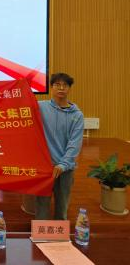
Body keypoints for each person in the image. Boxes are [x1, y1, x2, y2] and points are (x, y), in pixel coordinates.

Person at [36, 73, 84, 220]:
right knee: (41, 206)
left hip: (65, 169)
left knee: (62, 207)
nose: (61, 88)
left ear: (69, 88)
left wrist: (63, 165)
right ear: (51, 87)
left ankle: (59, 232)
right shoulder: (40, 107)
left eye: (65, 85)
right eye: (57, 85)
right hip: (45, 167)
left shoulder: (77, 115)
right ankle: (40, 232)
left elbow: (75, 143)